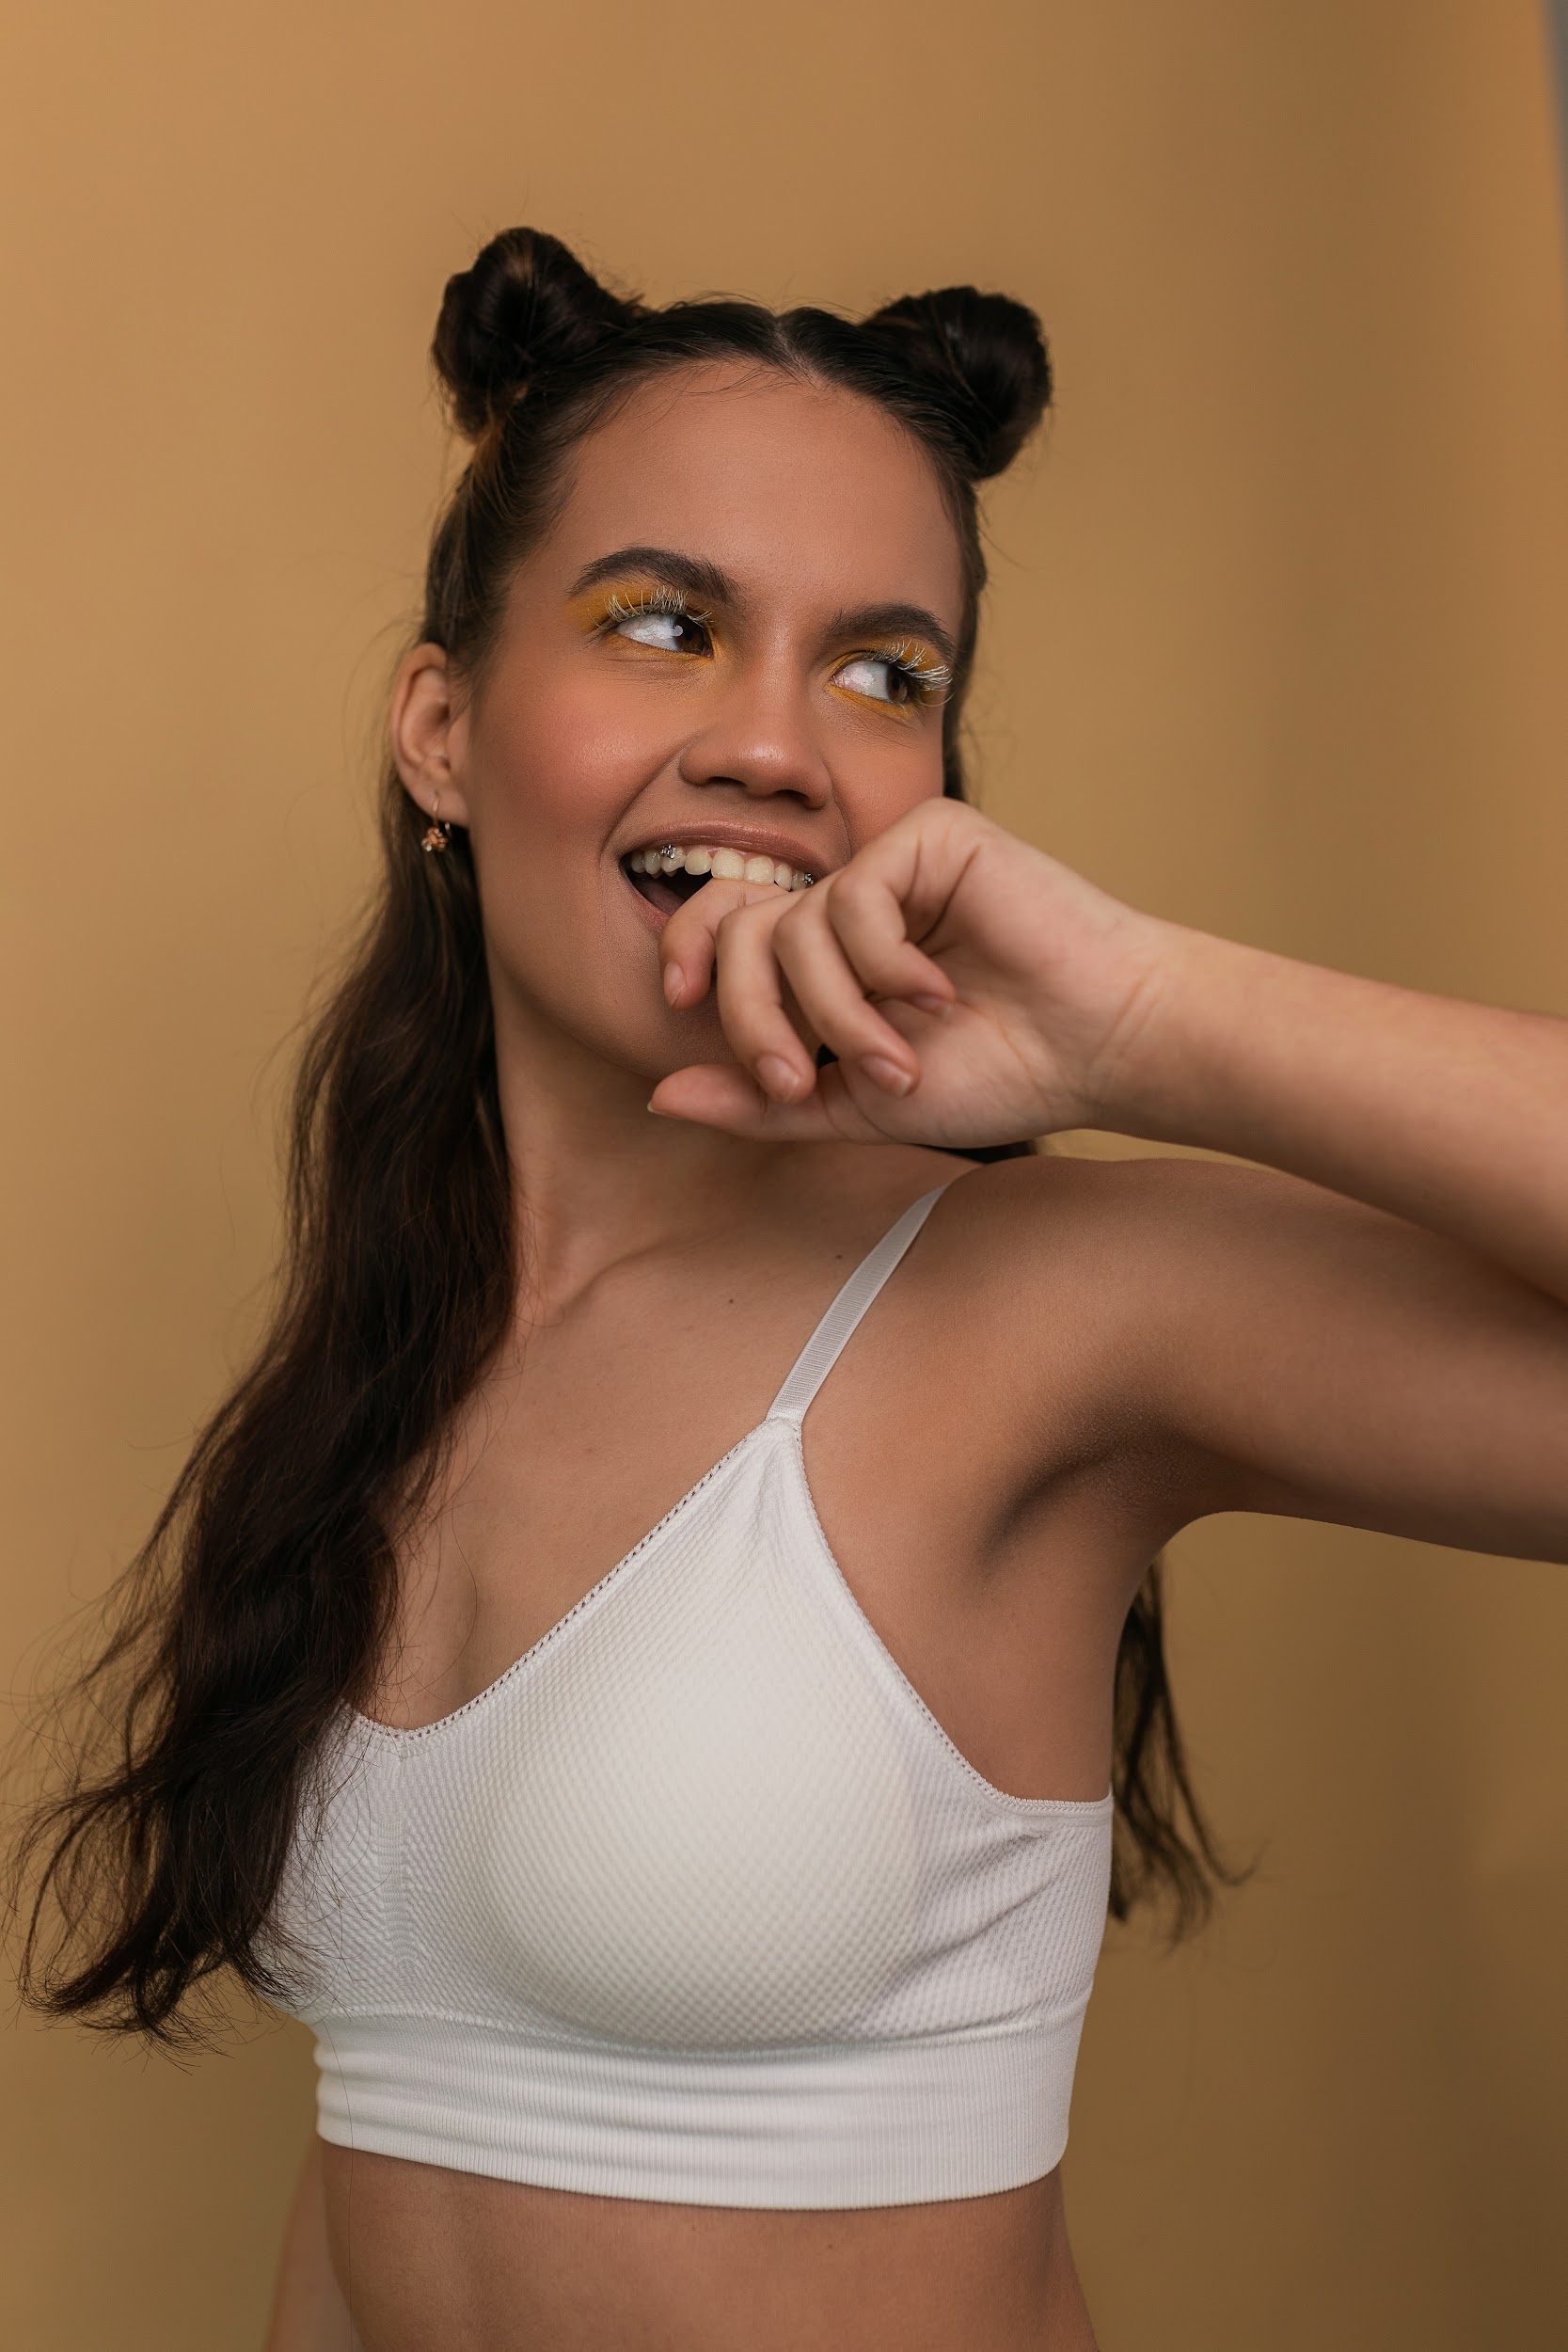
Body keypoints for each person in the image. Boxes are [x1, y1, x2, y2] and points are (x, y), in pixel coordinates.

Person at [12, 227, 1567, 2352]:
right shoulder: (393, 1366)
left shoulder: (1039, 1314)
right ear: (442, 729)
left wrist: (1143, 1020)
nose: (776, 743)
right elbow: (384, 2181)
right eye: (665, 625)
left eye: (882, 673)